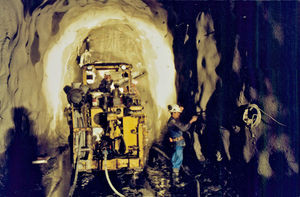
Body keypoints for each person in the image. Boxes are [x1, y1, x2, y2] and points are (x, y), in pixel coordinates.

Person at [167, 104, 198, 187]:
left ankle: (175, 179)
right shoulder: (173, 121)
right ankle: (175, 181)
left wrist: (180, 110)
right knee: (177, 159)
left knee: (178, 159)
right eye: (177, 113)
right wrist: (191, 121)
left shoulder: (174, 119)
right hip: (177, 143)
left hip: (178, 142)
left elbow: (179, 122)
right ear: (173, 113)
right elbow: (184, 128)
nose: (179, 114)